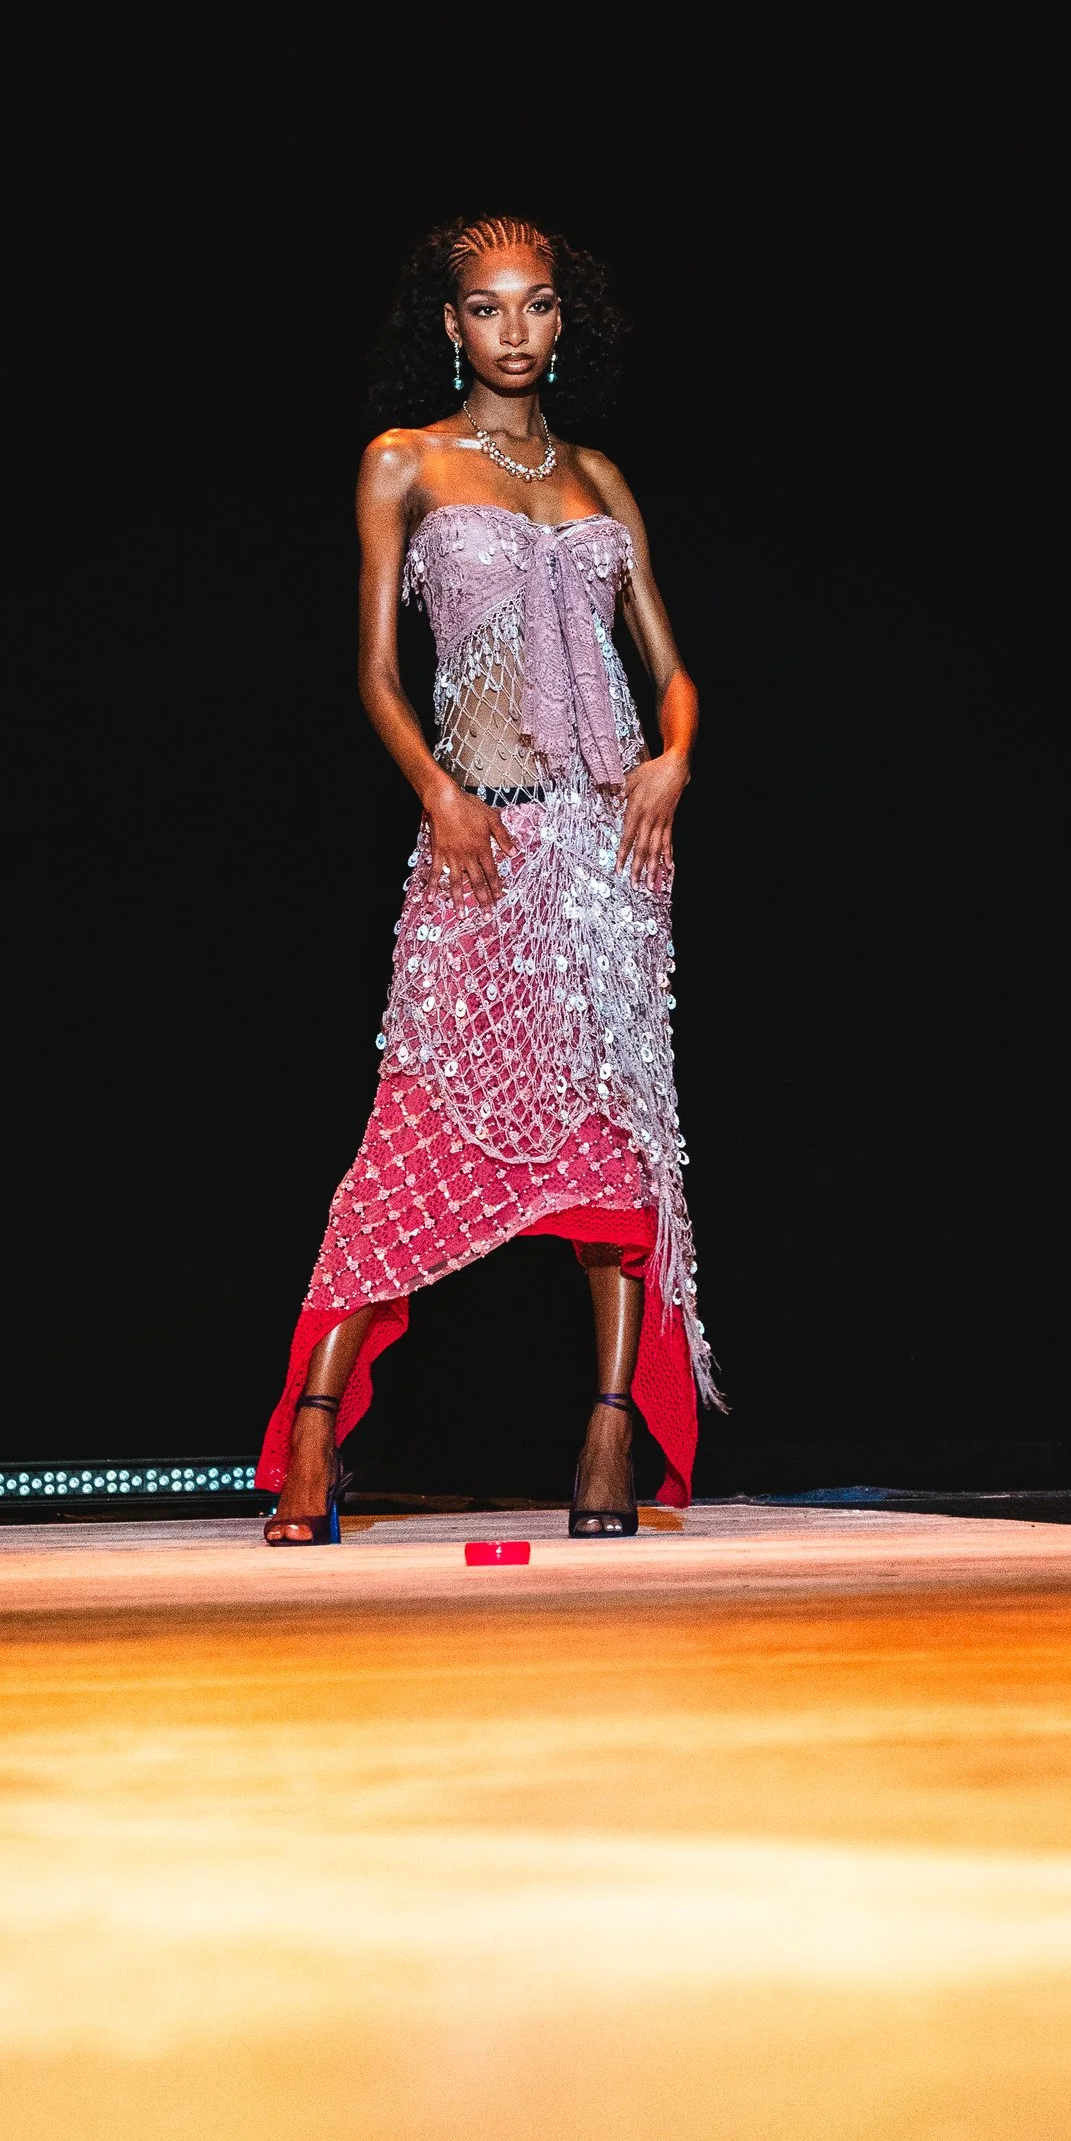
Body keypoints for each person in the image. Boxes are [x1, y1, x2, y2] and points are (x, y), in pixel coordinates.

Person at [258, 216, 720, 1544]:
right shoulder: (403, 465)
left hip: (605, 855)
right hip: (484, 835)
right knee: (409, 1128)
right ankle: (311, 1433)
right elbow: (374, 674)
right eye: (484, 308)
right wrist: (439, 792)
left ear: (563, 322)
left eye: (534, 306)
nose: (511, 329)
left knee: (614, 1149)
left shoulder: (599, 481)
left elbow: (672, 673)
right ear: (450, 324)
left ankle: (607, 1436)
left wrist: (674, 761)